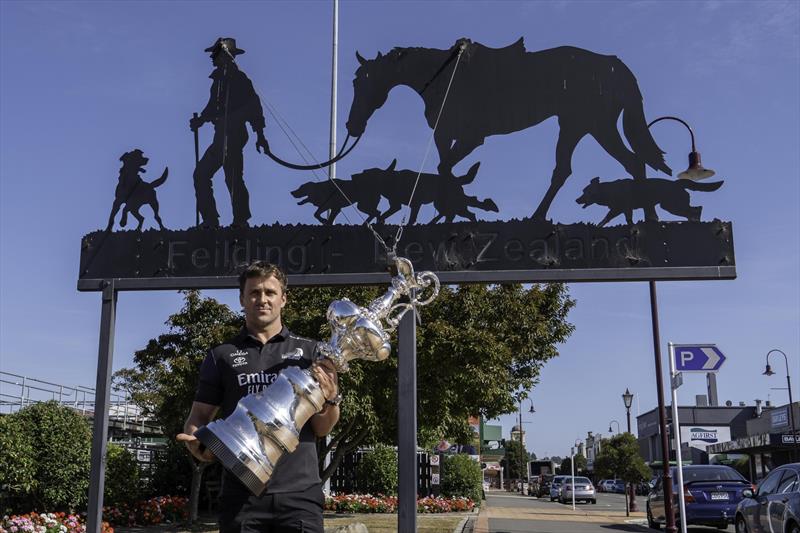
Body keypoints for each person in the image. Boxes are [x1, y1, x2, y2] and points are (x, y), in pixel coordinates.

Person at [177, 261, 340, 532]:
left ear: (283, 299)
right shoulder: (221, 355)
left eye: (270, 293)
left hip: (300, 493)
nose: (262, 300)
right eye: (254, 293)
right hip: (241, 494)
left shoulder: (311, 352)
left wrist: (331, 399)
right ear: (242, 299)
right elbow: (199, 417)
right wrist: (198, 442)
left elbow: (322, 428)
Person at [190, 37, 269, 228]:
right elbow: (212, 108)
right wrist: (201, 119)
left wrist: (260, 135)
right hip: (220, 135)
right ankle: (210, 220)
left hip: (234, 135)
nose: (211, 57)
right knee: (201, 175)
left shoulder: (240, 79)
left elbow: (254, 107)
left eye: (215, 54)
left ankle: (240, 220)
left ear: (225, 54)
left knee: (232, 178)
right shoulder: (217, 80)